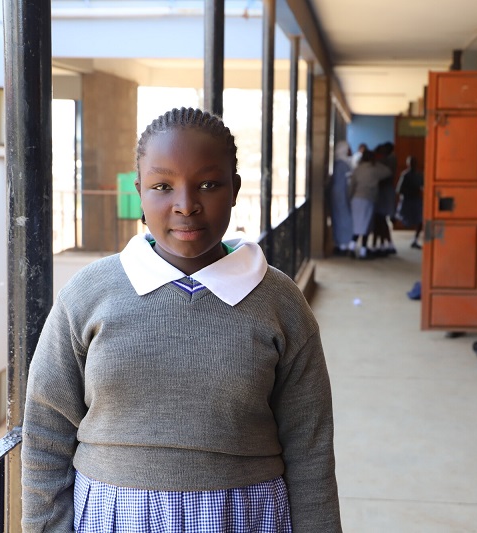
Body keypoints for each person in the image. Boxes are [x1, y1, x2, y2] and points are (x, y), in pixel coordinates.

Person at [21, 107, 342, 533]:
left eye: (208, 184)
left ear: (235, 190)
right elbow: (46, 429)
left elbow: (310, 446)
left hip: (244, 517)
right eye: (162, 186)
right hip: (112, 518)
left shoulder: (279, 302)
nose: (186, 205)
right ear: (139, 192)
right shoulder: (89, 293)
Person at [348, 149, 391, 259]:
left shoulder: (358, 169)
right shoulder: (375, 169)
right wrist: (376, 162)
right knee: (366, 226)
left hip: (356, 199)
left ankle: (352, 248)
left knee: (356, 225)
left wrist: (350, 198)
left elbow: (352, 185)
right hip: (368, 199)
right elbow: (388, 171)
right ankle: (363, 251)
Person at [329, 140, 353, 255]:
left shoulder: (339, 163)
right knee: (344, 218)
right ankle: (343, 244)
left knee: (340, 218)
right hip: (342, 195)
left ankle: (341, 243)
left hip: (338, 195)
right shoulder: (343, 165)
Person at [395, 155, 424, 248]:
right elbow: (399, 189)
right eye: (411, 163)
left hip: (416, 200)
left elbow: (424, 186)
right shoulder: (405, 175)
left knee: (420, 220)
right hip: (407, 200)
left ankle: (415, 239)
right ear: (408, 164)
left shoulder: (419, 175)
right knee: (401, 217)